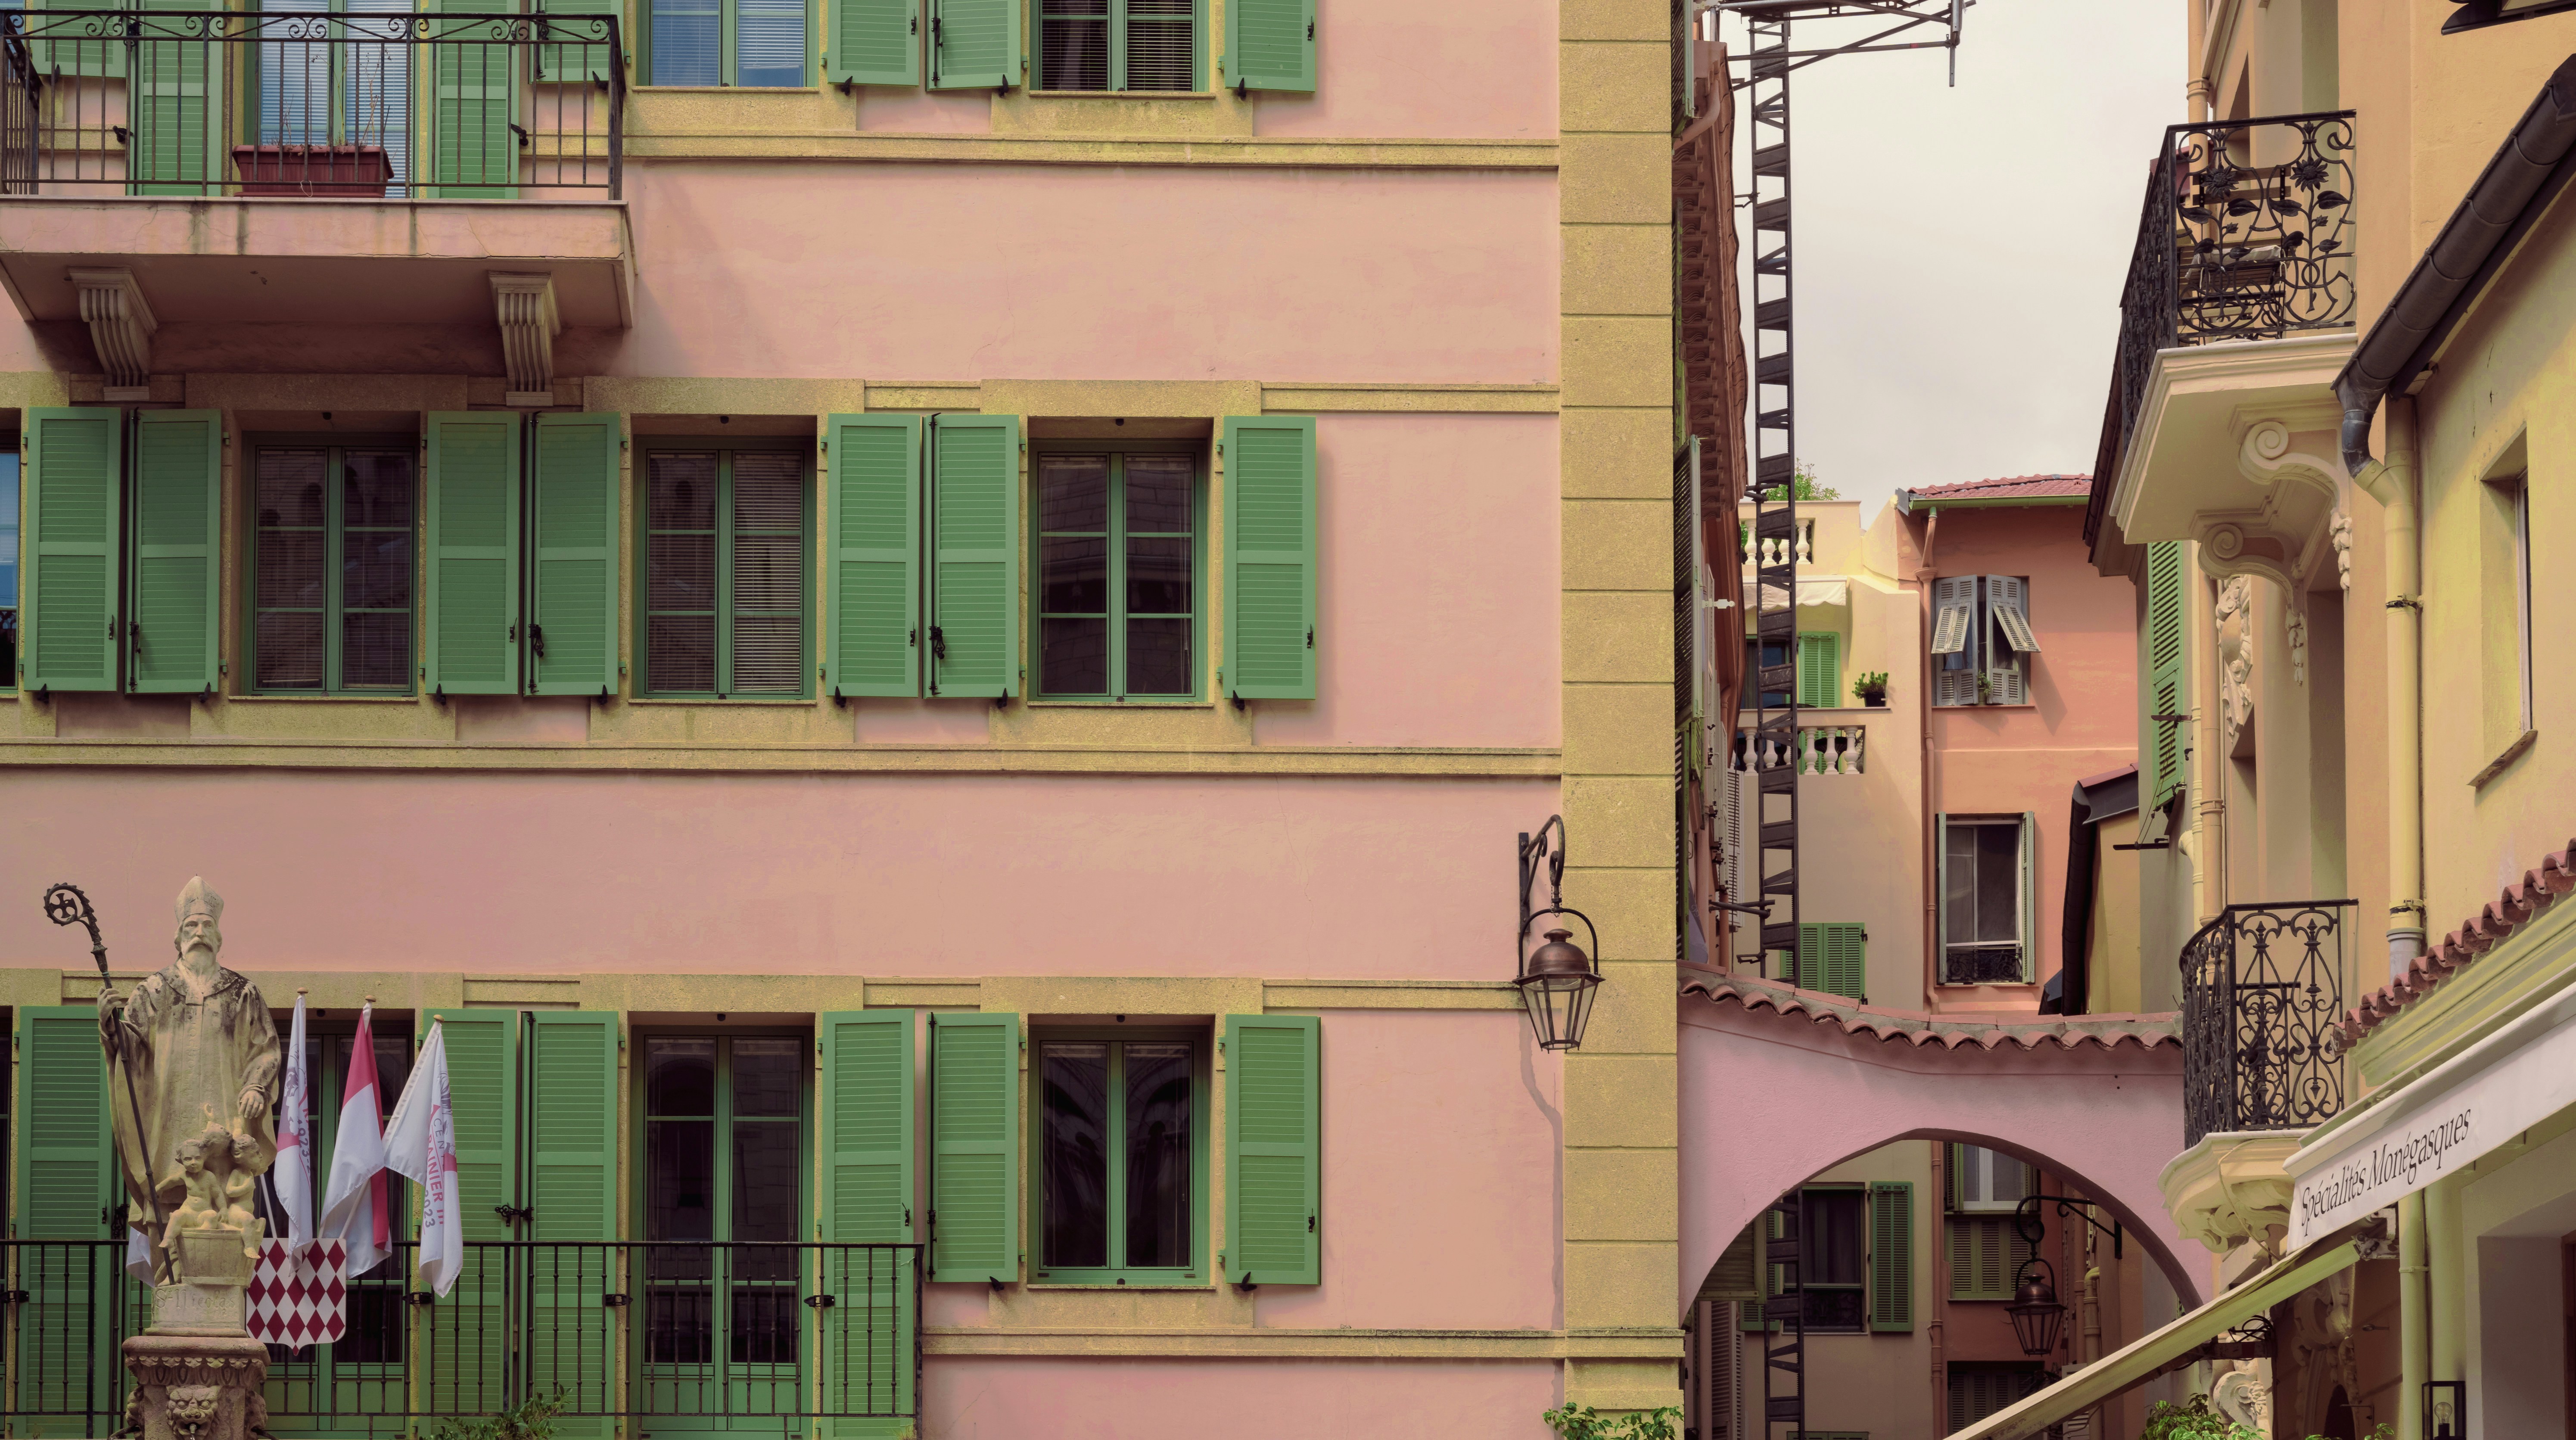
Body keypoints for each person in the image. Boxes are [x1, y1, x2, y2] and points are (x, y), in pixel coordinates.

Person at [100, 879, 282, 1285]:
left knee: (227, 1214)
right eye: (190, 926)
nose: (199, 932)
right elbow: (131, 1053)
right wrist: (110, 1027)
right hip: (169, 1128)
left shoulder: (242, 993)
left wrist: (255, 1086)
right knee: (166, 1211)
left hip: (225, 1129)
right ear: (178, 936)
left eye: (205, 925)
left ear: (218, 935)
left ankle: (214, 1299)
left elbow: (265, 1050)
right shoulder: (152, 992)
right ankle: (172, 1297)